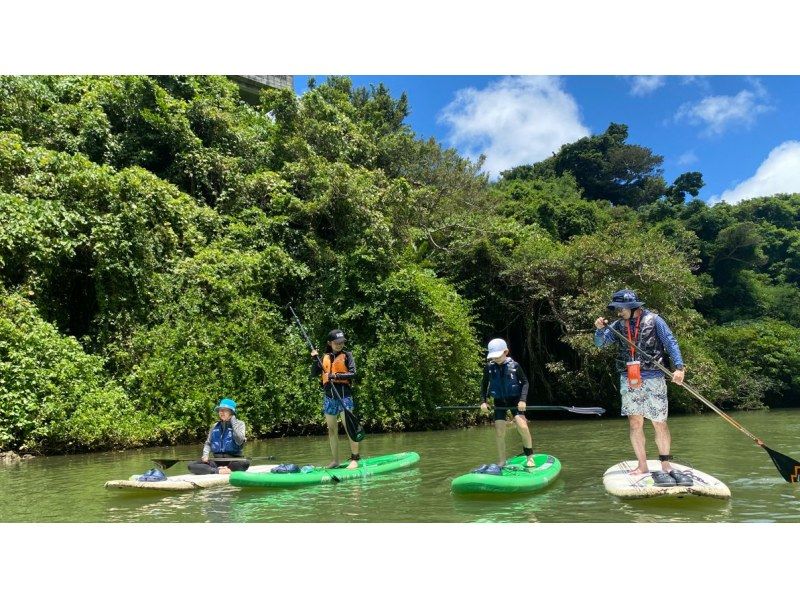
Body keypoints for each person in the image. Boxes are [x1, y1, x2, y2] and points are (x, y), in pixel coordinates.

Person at [594, 289, 692, 486]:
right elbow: (600, 344)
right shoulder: (617, 325)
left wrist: (679, 368)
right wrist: (599, 329)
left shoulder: (655, 320)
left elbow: (671, 342)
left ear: (632, 307)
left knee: (659, 422)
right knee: (635, 422)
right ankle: (642, 465)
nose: (618, 312)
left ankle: (665, 465)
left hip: (653, 377)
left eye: (620, 309)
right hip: (629, 379)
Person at [479, 338, 535, 467]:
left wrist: (522, 400)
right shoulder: (489, 367)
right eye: (493, 357)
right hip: (499, 402)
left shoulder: (515, 365)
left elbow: (525, 383)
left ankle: (530, 457)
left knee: (523, 427)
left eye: (498, 356)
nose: (495, 359)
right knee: (499, 432)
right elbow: (484, 385)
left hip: (515, 401)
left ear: (506, 352)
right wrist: (483, 402)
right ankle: (502, 460)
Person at [310, 329, 360, 469]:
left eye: (341, 342)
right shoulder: (324, 357)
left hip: (344, 397)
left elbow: (353, 373)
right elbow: (314, 374)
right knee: (332, 430)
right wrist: (315, 359)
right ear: (329, 343)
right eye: (336, 343)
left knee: (349, 427)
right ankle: (335, 461)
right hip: (329, 398)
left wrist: (336, 376)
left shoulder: (347, 355)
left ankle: (355, 458)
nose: (339, 345)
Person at [187, 398, 250, 475]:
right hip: (216, 461)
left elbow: (239, 440)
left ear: (231, 412)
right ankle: (217, 471)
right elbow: (208, 443)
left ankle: (228, 469)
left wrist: (233, 422)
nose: (221, 412)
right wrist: (205, 455)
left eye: (225, 410)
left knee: (245, 462)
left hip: (233, 461)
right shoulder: (214, 426)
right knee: (191, 465)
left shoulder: (240, 424)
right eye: (220, 410)